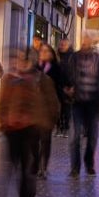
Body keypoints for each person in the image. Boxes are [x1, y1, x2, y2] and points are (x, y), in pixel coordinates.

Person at [0, 49, 59, 197]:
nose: (19, 63)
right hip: (11, 130)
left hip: (31, 129)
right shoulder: (8, 80)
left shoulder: (41, 79)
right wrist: (3, 122)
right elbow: (3, 104)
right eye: (17, 59)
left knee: (27, 169)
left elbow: (52, 104)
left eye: (23, 59)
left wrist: (45, 125)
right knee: (9, 167)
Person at [65, 37, 99, 177]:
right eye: (83, 42)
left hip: (93, 102)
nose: (85, 44)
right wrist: (69, 87)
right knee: (75, 136)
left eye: (87, 42)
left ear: (91, 44)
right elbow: (68, 75)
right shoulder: (74, 58)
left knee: (92, 136)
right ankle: (75, 167)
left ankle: (89, 163)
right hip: (77, 102)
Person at [35, 46, 64, 176]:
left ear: (52, 54)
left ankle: (43, 167)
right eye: (41, 51)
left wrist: (57, 111)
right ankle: (35, 165)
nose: (43, 53)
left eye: (46, 51)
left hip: (48, 109)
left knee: (45, 140)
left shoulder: (56, 69)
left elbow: (60, 89)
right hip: (34, 109)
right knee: (33, 140)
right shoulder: (34, 68)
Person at [54, 41, 73, 137]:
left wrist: (71, 86)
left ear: (69, 46)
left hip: (68, 87)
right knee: (57, 109)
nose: (62, 46)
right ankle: (58, 128)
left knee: (66, 109)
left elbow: (75, 73)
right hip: (57, 86)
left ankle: (65, 128)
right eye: (61, 44)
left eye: (64, 45)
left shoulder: (72, 58)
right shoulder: (56, 57)